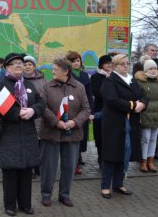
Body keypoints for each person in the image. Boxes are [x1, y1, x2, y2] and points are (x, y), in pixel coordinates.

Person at [0, 53, 45, 216]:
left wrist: (32, 110)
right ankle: (10, 205)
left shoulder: (28, 84)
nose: (18, 66)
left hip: (28, 133)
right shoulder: (1, 84)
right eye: (14, 63)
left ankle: (25, 204)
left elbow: (41, 103)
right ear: (7, 67)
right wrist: (18, 113)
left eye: (20, 63)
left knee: (26, 170)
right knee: (10, 171)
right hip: (9, 133)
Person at [39, 58, 90, 207]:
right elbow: (43, 107)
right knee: (49, 167)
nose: (52, 71)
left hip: (72, 134)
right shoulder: (46, 86)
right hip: (51, 133)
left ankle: (64, 195)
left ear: (65, 71)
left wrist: (74, 122)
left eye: (55, 68)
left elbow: (86, 109)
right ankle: (46, 194)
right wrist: (56, 122)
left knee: (69, 167)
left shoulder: (79, 87)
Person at [100, 54, 147, 199]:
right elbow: (112, 100)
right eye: (122, 64)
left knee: (124, 153)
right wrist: (133, 105)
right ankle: (105, 186)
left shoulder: (132, 81)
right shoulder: (110, 81)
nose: (126, 66)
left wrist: (143, 104)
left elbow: (143, 95)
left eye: (127, 63)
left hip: (130, 123)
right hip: (114, 124)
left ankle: (118, 184)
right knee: (111, 156)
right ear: (114, 66)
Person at [132, 44, 158, 161]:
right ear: (146, 51)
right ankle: (142, 158)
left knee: (155, 134)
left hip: (157, 108)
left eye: (156, 50)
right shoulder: (138, 65)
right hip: (145, 107)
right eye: (152, 50)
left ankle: (154, 154)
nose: (155, 52)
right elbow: (137, 86)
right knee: (145, 136)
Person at [66, 51, 94, 174]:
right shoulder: (66, 75)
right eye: (73, 61)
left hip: (83, 111)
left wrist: (90, 111)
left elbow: (89, 94)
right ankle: (74, 163)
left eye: (77, 61)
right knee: (71, 137)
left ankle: (78, 157)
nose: (76, 63)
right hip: (71, 111)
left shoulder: (84, 75)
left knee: (81, 136)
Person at [22, 55, 46, 178]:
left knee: (40, 142)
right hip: (27, 115)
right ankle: (29, 167)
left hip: (40, 115)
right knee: (29, 143)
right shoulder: (19, 79)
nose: (27, 67)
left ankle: (38, 166)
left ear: (34, 66)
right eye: (25, 64)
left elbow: (45, 95)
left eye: (30, 64)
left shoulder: (42, 78)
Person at [90, 55, 113, 168]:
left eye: (110, 63)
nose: (109, 65)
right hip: (100, 110)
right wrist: (111, 96)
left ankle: (109, 159)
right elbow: (97, 93)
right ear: (101, 64)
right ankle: (101, 159)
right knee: (100, 136)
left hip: (113, 111)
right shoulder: (96, 77)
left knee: (111, 136)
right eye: (106, 63)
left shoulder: (114, 76)